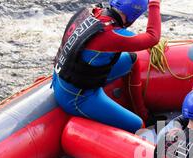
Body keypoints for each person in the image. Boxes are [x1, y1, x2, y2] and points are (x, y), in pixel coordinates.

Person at [52, 0, 162, 133]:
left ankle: (141, 111)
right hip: (77, 96)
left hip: (66, 76)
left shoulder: (94, 12)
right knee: (138, 125)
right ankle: (140, 119)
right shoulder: (112, 35)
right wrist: (154, 4)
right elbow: (153, 38)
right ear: (134, 15)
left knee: (132, 60)